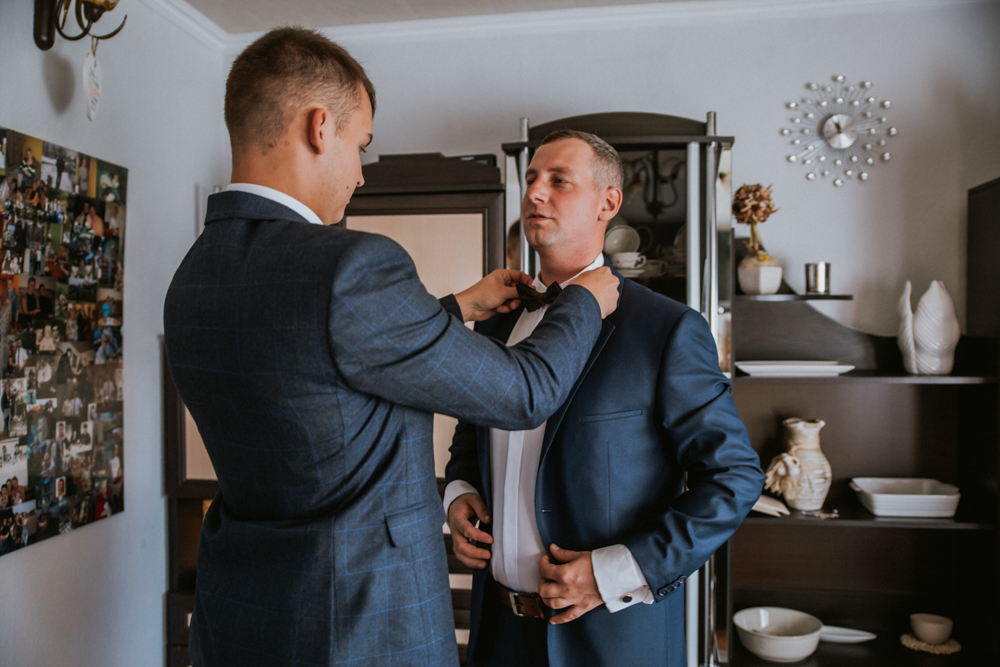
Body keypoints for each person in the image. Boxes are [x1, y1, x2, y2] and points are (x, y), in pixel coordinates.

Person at [162, 28, 620, 667]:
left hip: (241, 615)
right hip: (361, 625)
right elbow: (524, 392)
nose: (358, 174)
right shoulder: (350, 264)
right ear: (320, 128)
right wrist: (583, 302)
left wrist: (454, 308)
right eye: (361, 146)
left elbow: (315, 359)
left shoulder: (192, 276)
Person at [444, 130, 764, 667]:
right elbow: (469, 435)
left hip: (611, 642)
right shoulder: (496, 322)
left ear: (608, 203)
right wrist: (459, 493)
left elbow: (734, 477)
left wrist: (613, 572)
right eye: (532, 178)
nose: (535, 192)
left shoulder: (666, 329)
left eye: (559, 181)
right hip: (498, 634)